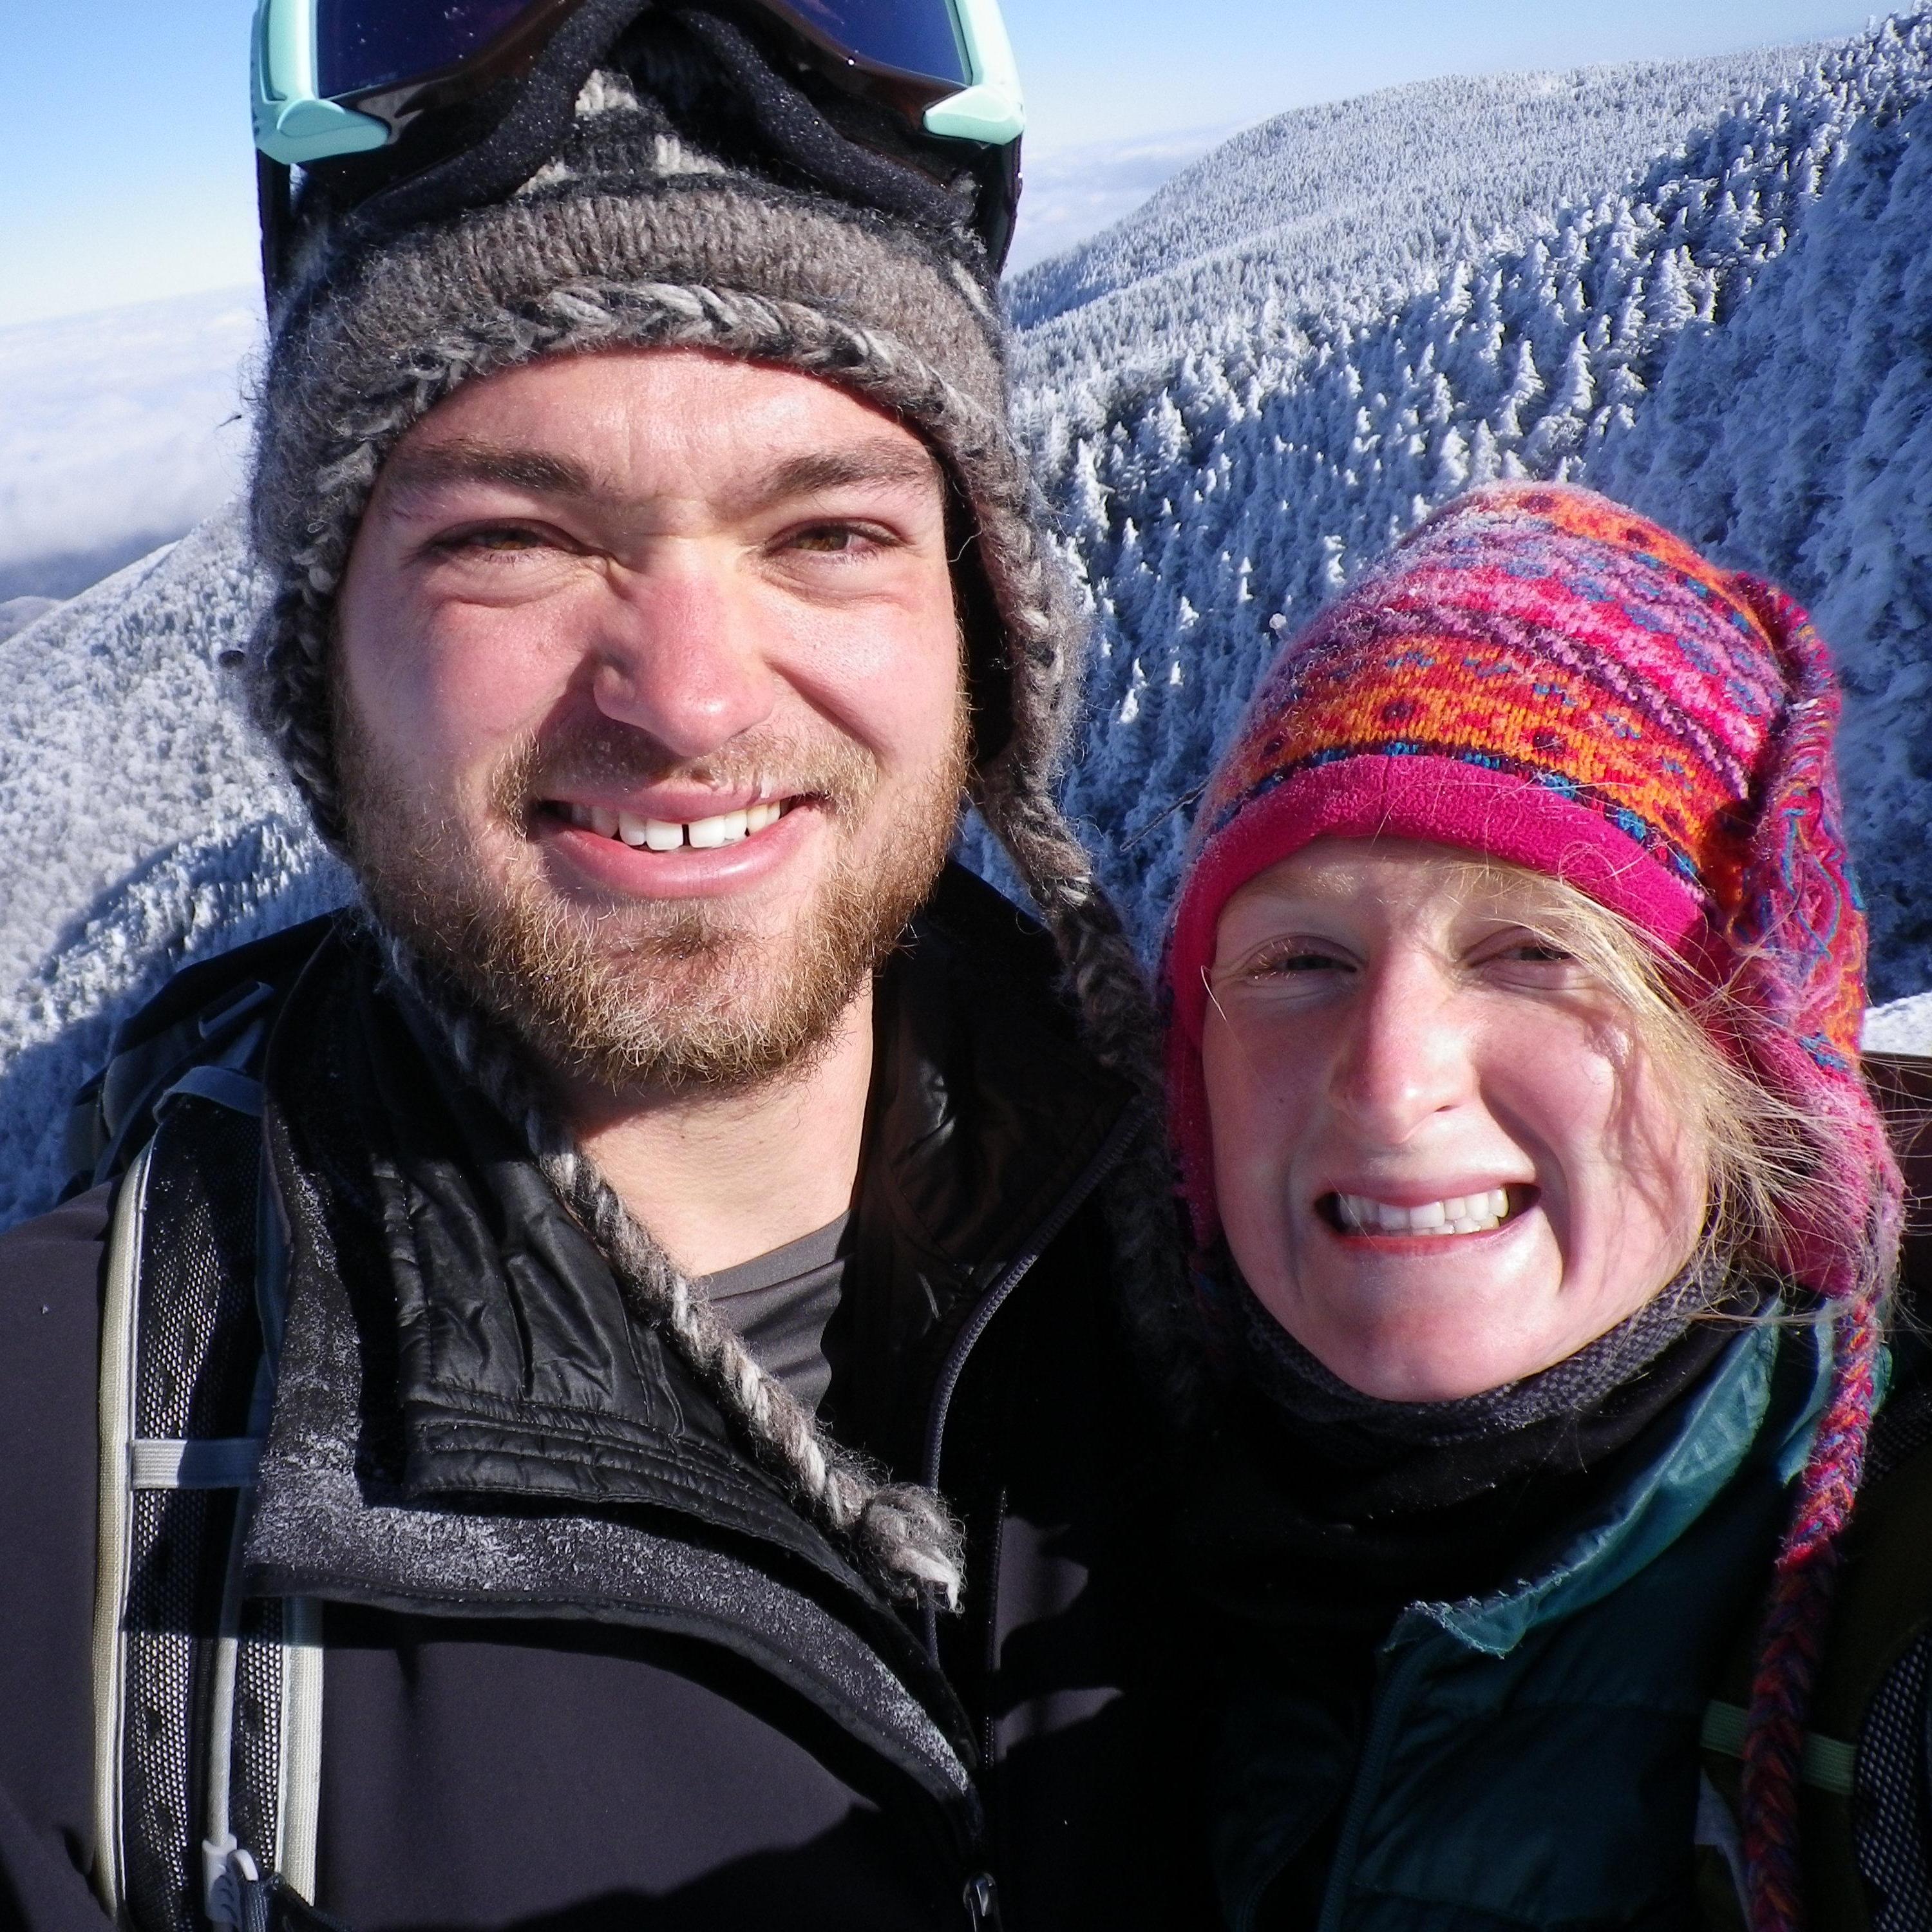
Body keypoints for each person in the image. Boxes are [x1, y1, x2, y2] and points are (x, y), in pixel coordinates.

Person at [0, 6, 1186, 1929]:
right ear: (321, 672)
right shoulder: (61, 1518)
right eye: (515, 542)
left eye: (828, 531)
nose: (691, 696)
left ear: (976, 632)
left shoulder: (1287, 1296)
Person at [1159, 482, 1923, 1930]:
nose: (1390, 1081)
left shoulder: (1886, 1657)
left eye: (1531, 954)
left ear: (1738, 1060)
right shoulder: (1054, 1548)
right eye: (1299, 962)